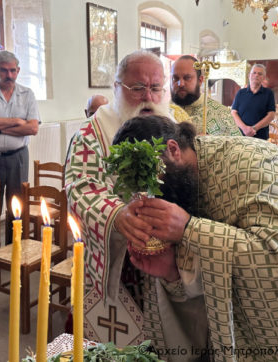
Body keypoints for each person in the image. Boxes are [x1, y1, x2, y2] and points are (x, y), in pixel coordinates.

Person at [108, 115, 278, 361]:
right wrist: (172, 271)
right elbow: (213, 266)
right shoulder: (181, 183)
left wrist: (189, 229)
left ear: (173, 149)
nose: (150, 193)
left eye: (152, 178)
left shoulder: (257, 164)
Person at [65, 50, 180, 347]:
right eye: (138, 87)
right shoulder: (92, 133)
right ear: (117, 87)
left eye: (156, 87)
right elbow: (80, 188)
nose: (148, 97)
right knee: (116, 345)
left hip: (169, 260)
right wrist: (117, 215)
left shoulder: (175, 125)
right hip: (117, 259)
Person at [0, 50, 40, 245]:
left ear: (18, 70)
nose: (9, 75)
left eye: (13, 70)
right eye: (4, 70)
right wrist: (17, 122)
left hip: (17, 157)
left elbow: (32, 128)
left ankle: (15, 250)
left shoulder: (27, 94)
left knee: (17, 204)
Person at [170, 55, 240, 136]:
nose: (180, 84)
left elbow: (237, 143)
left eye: (187, 78)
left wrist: (212, 141)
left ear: (200, 80)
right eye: (175, 78)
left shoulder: (221, 114)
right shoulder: (163, 111)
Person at [230, 64, 275, 139]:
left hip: (261, 137)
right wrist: (244, 128)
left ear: (263, 78)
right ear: (249, 75)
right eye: (254, 73)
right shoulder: (241, 93)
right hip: (240, 136)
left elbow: (271, 115)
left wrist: (254, 128)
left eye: (260, 74)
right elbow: (233, 112)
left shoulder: (268, 93)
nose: (256, 75)